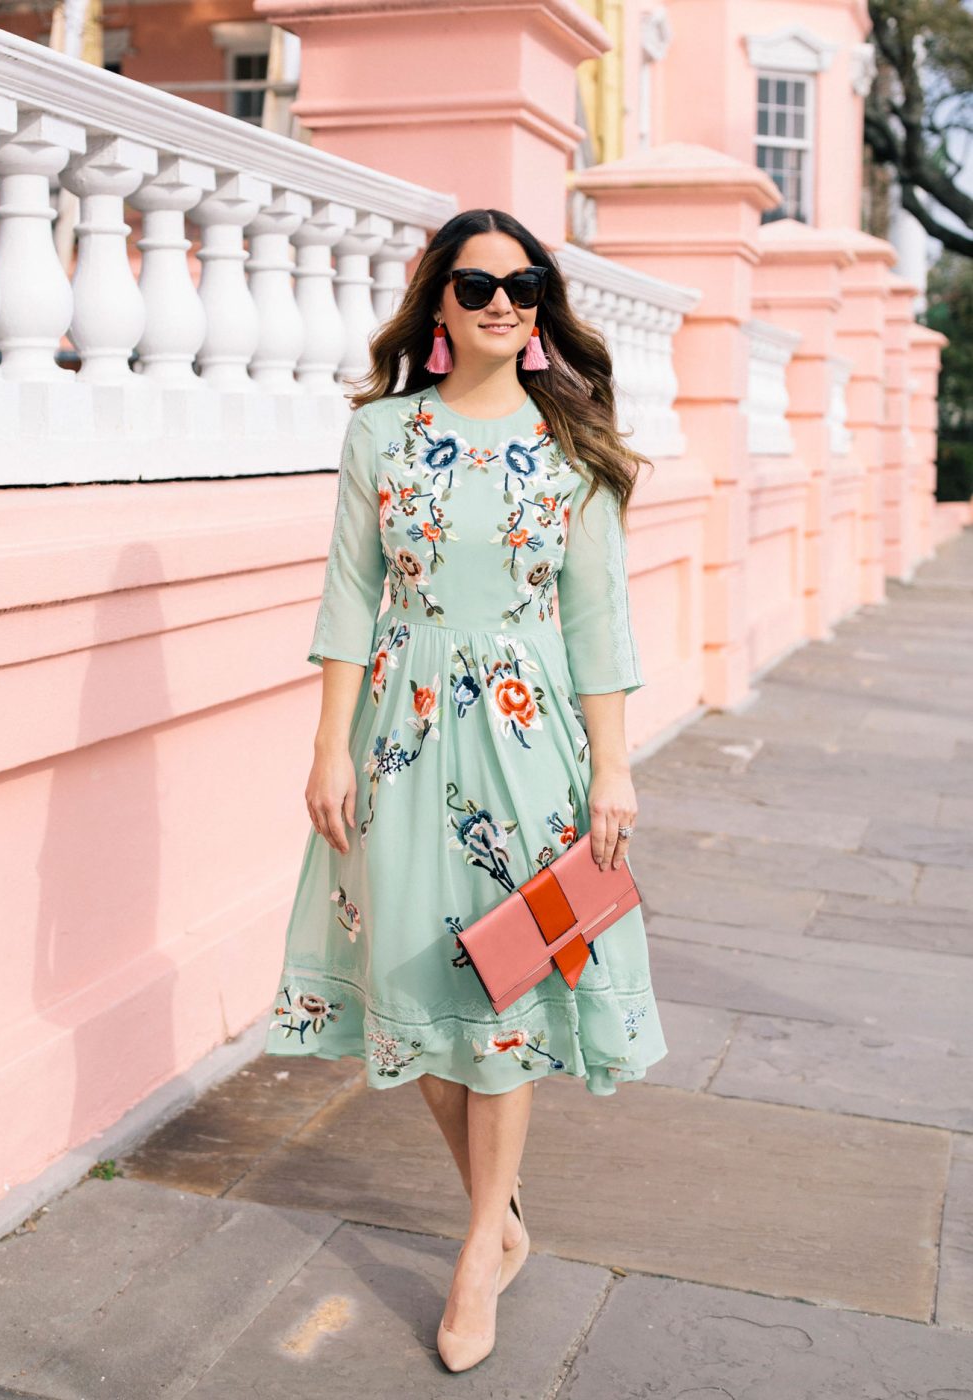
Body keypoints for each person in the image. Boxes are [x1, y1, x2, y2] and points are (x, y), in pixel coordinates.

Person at [265, 208, 668, 1372]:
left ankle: (478, 1245)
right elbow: (349, 599)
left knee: (506, 994)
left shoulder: (577, 450)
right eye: (479, 283)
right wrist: (328, 744)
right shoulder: (380, 437)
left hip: (534, 749)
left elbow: (599, 628)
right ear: (437, 301)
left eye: (526, 283)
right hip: (398, 737)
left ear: (543, 305)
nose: (504, 301)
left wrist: (614, 768)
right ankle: (502, 1213)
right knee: (413, 990)